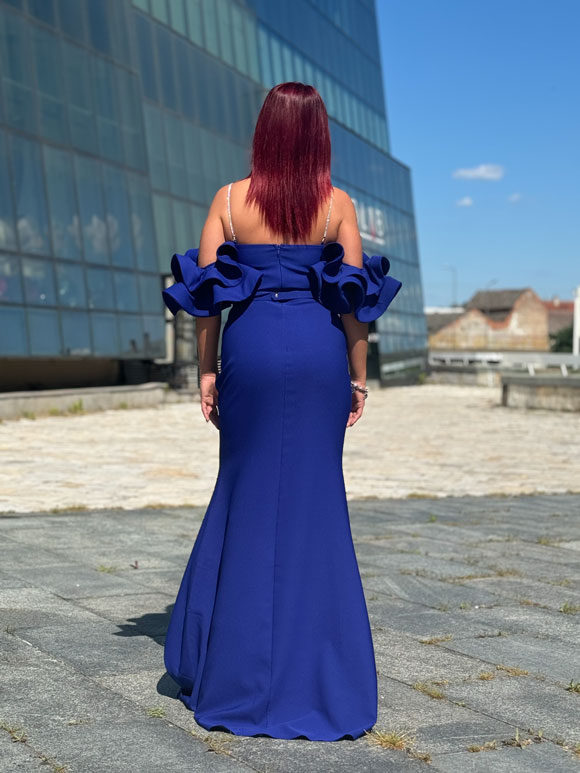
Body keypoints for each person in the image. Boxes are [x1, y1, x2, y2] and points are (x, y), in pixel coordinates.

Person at [161, 82, 402, 742]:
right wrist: (357, 377)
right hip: (319, 353)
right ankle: (318, 673)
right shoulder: (336, 206)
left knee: (243, 493)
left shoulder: (228, 201)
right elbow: (353, 306)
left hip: (252, 350)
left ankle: (229, 662)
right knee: (317, 503)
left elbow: (207, 304)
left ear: (265, 132)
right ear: (318, 135)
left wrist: (206, 370)